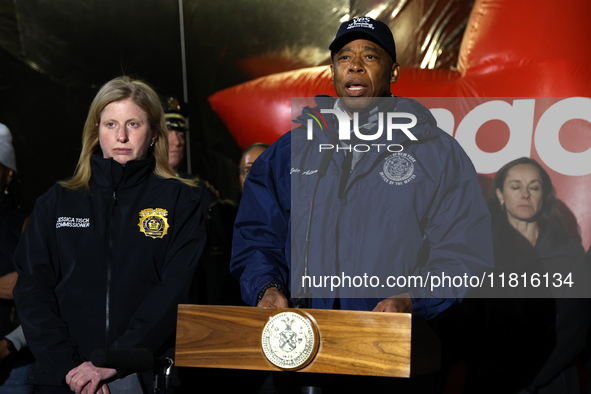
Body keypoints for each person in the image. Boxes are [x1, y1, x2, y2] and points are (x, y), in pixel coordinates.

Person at [231, 16, 493, 320]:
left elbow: (463, 250)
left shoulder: (437, 153)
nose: (355, 66)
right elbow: (258, 234)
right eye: (344, 57)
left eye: (369, 56)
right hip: (299, 340)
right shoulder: (290, 151)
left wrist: (411, 298)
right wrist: (267, 287)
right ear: (332, 71)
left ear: (393, 72)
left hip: (391, 342)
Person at [12, 77, 207, 394]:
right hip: (63, 379)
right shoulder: (56, 202)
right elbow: (32, 292)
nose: (121, 136)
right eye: (110, 124)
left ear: (155, 134)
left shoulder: (181, 202)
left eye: (133, 123)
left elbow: (176, 292)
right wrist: (72, 370)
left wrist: (114, 361)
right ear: (95, 132)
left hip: (143, 378)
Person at [462, 157, 590, 393]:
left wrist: (530, 382)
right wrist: (496, 374)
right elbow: (467, 322)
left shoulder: (569, 250)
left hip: (552, 381)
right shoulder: (478, 250)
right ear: (500, 195)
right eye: (516, 187)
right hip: (491, 382)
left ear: (545, 196)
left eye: (534, 187)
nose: (525, 194)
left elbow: (574, 327)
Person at [0, 123, 34, 394]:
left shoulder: (26, 227)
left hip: (15, 366)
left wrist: (10, 344)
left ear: (7, 172)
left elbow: (46, 299)